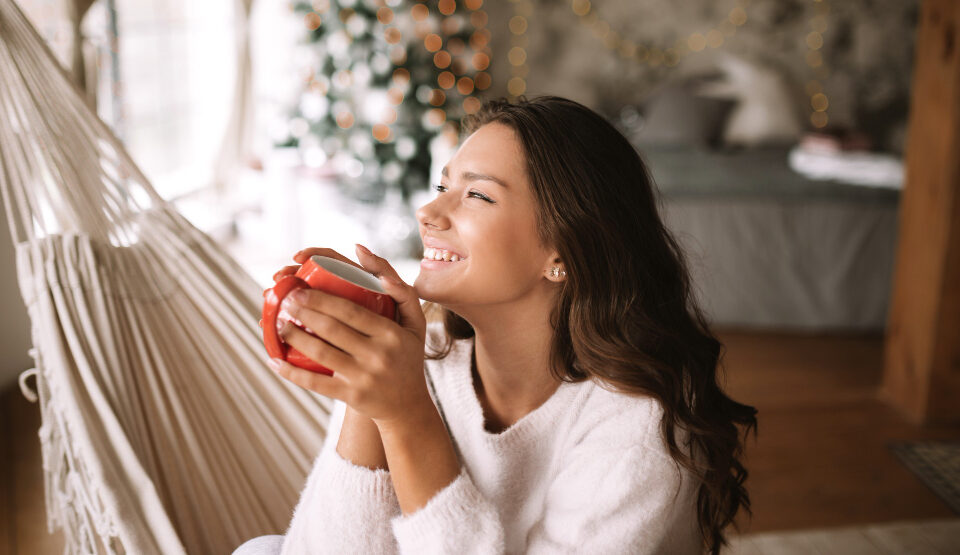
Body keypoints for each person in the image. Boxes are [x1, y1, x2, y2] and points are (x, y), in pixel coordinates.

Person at [234, 96, 758, 555]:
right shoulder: (422, 358)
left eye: (477, 195)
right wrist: (369, 396)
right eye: (442, 186)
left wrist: (406, 417)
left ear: (565, 253)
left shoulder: (637, 425)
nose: (429, 211)